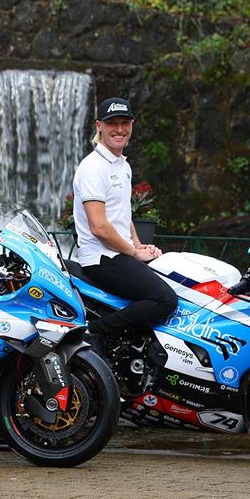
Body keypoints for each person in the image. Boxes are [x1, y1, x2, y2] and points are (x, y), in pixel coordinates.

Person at [72, 97, 178, 345]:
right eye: (112, 123)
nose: (119, 129)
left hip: (118, 254)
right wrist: (133, 252)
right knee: (166, 300)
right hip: (101, 259)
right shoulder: (93, 167)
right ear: (99, 125)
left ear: (132, 125)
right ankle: (96, 332)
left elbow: (122, 214)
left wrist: (139, 245)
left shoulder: (122, 164)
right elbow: (99, 226)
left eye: (124, 123)